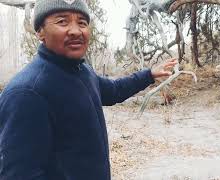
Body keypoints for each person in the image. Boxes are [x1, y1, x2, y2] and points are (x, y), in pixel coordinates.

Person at [0, 0, 177, 179]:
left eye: (82, 23)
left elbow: (114, 90)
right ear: (40, 32)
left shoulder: (81, 71)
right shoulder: (27, 93)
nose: (76, 31)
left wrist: (149, 75)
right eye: (62, 21)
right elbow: (18, 174)